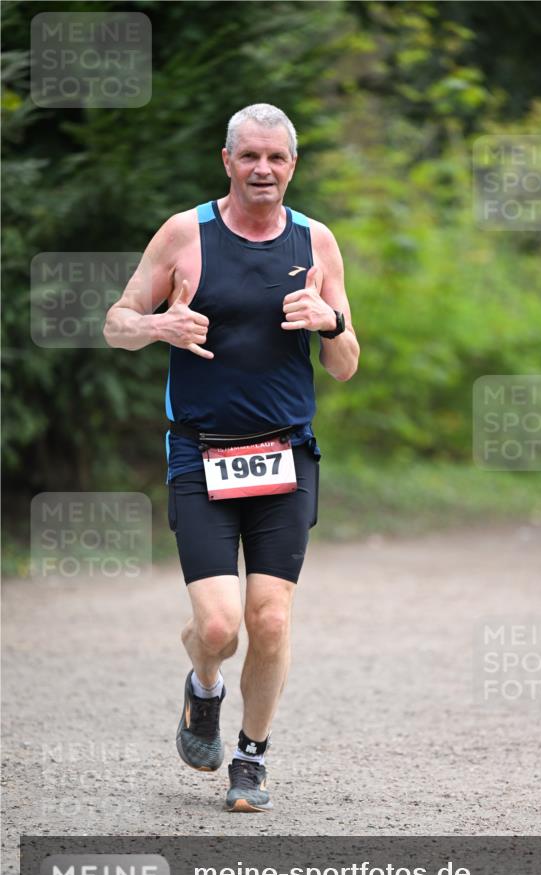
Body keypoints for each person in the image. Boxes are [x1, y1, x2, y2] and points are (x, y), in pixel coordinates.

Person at [104, 103, 359, 812]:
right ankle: (203, 686)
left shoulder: (316, 242)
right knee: (218, 626)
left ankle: (250, 757)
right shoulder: (186, 234)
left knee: (270, 619)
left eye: (276, 158)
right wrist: (156, 324)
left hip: (284, 457)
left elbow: (344, 365)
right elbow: (116, 323)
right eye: (249, 156)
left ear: (292, 166)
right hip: (201, 454)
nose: (263, 170)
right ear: (227, 162)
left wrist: (330, 322)